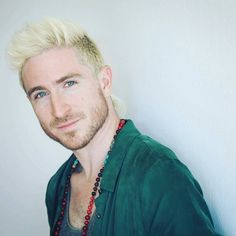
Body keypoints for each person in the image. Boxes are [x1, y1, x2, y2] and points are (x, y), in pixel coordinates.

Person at [8, 18, 221, 236]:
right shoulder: (57, 186)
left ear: (105, 82)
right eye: (41, 94)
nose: (59, 110)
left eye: (69, 83)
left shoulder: (159, 174)